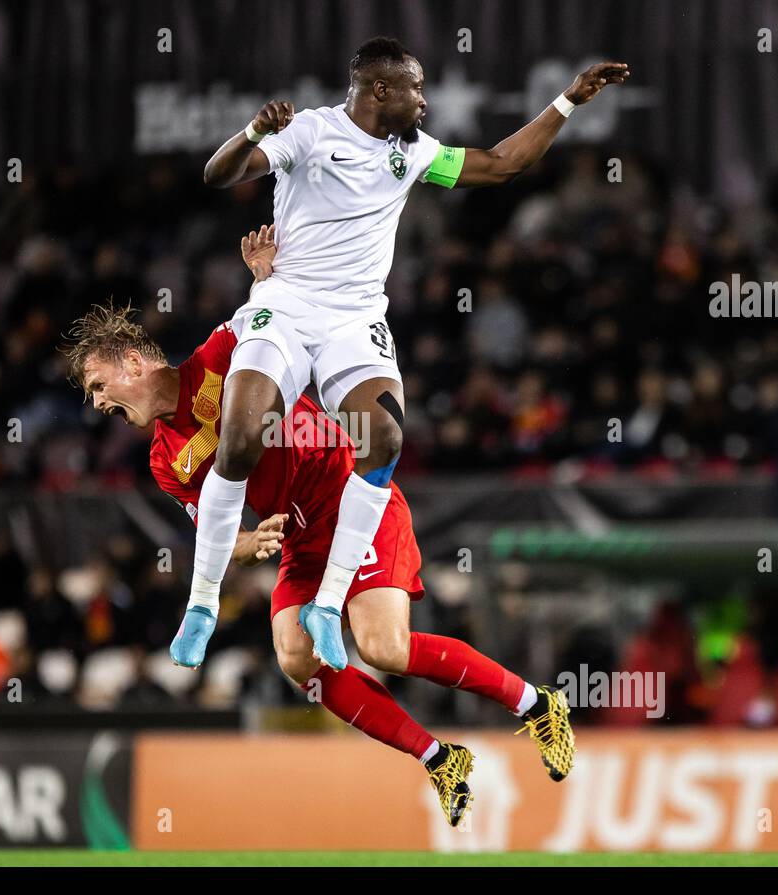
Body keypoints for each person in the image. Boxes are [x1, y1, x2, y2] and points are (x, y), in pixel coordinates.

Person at [59, 234, 575, 828]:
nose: (96, 404)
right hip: (301, 538)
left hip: (351, 499)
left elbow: (270, 315)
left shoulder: (217, 358)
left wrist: (266, 278)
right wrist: (250, 545)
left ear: (133, 363)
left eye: (99, 386)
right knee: (295, 658)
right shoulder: (161, 461)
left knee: (384, 647)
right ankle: (439, 757)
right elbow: (216, 532)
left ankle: (538, 704)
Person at [184, 35, 628, 673]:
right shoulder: (311, 132)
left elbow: (502, 163)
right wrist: (254, 130)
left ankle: (328, 603)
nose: (425, 101)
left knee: (385, 439)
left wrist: (568, 101)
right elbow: (217, 174)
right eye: (416, 88)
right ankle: (201, 603)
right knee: (241, 437)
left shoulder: (413, 153)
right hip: (285, 305)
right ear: (381, 90)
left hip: (354, 320)